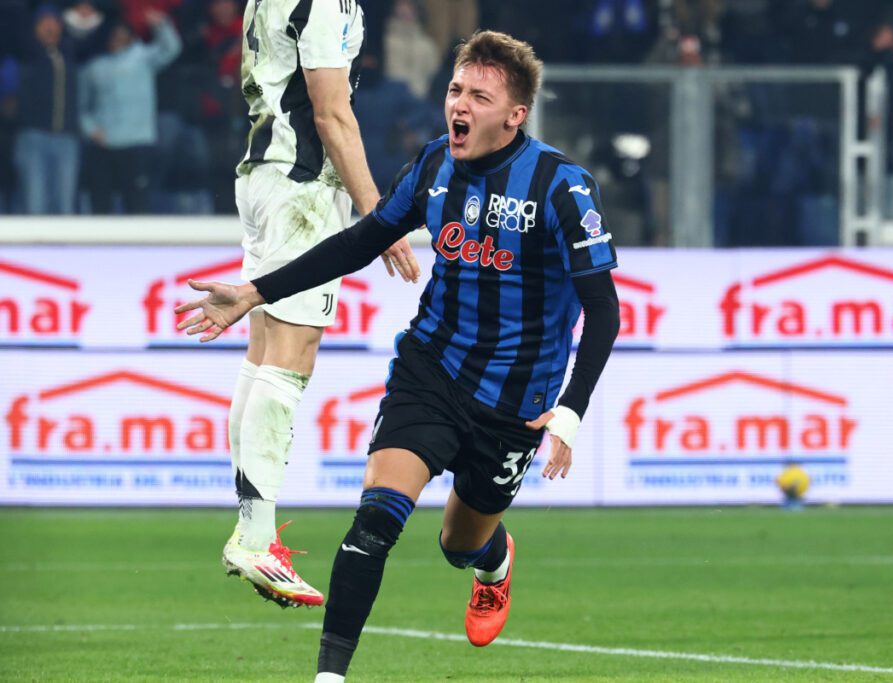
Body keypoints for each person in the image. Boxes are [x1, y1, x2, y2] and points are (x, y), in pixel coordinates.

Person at [175, 30, 621, 681]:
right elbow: (362, 240)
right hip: (430, 372)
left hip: (516, 401)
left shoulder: (562, 187)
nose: (458, 105)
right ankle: (330, 677)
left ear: (515, 115)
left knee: (457, 543)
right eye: (455, 90)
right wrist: (251, 291)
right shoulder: (436, 164)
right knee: (374, 522)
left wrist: (570, 413)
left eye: (479, 96)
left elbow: (603, 311)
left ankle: (493, 561)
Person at [213, 0, 419, 610]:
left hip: (263, 172)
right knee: (291, 356)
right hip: (301, 184)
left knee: (262, 352)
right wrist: (379, 216)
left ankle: (251, 530)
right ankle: (254, 538)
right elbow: (331, 112)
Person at [78, 11, 182, 213]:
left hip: (137, 142)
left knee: (137, 203)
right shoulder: (94, 67)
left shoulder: (142, 57)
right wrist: (91, 130)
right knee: (100, 203)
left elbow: (172, 48)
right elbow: (81, 107)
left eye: (122, 34)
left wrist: (161, 25)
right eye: (114, 35)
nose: (118, 39)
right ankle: (99, 245)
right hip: (104, 144)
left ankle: (140, 245)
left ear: (130, 36)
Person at [14, 5, 81, 215]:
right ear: (34, 28)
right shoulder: (24, 55)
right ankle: (34, 248)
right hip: (33, 137)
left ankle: (66, 248)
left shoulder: (70, 57)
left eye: (54, 23)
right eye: (44, 24)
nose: (50, 28)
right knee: (36, 203)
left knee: (65, 204)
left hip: (66, 139)